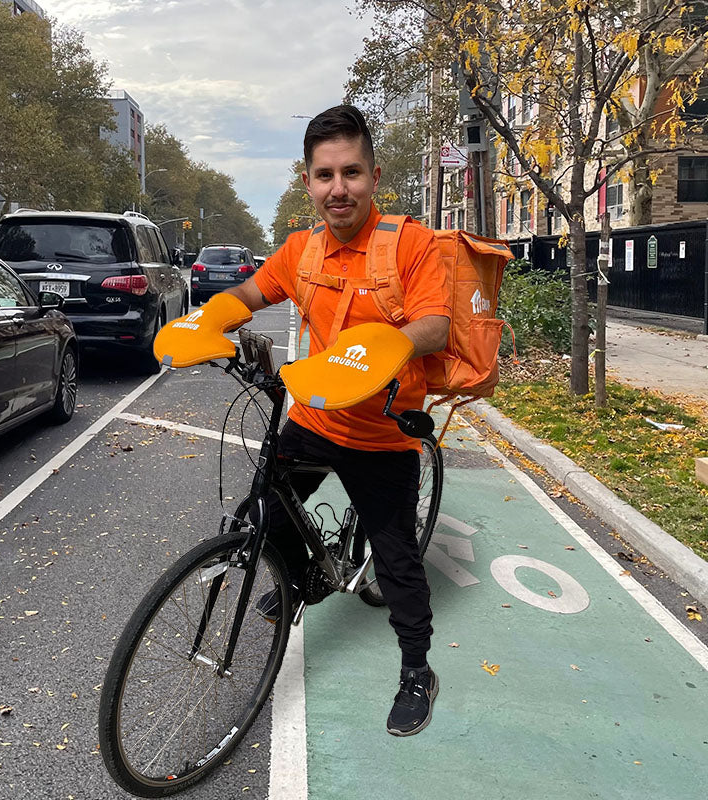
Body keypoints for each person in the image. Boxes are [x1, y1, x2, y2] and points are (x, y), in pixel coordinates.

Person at [225, 105, 451, 737]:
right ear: (308, 182)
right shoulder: (301, 251)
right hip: (319, 419)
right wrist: (211, 319)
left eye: (352, 172)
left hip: (382, 432)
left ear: (374, 175)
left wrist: (386, 348)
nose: (339, 188)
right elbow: (250, 293)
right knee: (264, 508)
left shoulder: (409, 243)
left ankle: (417, 672)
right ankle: (302, 579)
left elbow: (436, 323)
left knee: (397, 561)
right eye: (325, 175)